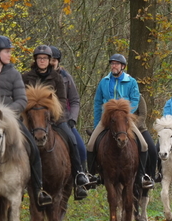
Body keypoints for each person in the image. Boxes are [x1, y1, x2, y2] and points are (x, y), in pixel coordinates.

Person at [0, 36, 52, 208]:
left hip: (10, 120)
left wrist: (6, 114)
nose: (9, 55)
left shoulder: (13, 74)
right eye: (7, 51)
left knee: (33, 149)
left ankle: (38, 189)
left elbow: (21, 100)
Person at [23, 45, 90, 200]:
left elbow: (61, 99)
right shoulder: (26, 77)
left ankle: (79, 174)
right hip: (32, 119)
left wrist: (53, 113)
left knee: (73, 141)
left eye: (45, 58)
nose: (42, 61)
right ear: (36, 60)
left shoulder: (58, 77)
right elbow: (21, 98)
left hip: (55, 118)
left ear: (49, 61)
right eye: (39, 58)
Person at [86, 53, 154, 189]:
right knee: (90, 145)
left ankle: (141, 176)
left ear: (122, 66)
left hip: (125, 119)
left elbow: (135, 100)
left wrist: (125, 114)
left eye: (116, 64)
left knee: (145, 145)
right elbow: (98, 103)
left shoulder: (131, 82)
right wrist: (96, 124)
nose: (114, 66)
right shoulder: (104, 82)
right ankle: (91, 176)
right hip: (107, 119)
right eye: (112, 63)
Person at [49, 46, 90, 184]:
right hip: (41, 119)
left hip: (63, 119)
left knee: (80, 146)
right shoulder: (37, 77)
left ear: (58, 61)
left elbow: (74, 100)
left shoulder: (66, 77)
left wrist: (72, 118)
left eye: (54, 60)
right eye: (49, 59)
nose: (51, 63)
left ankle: (80, 176)